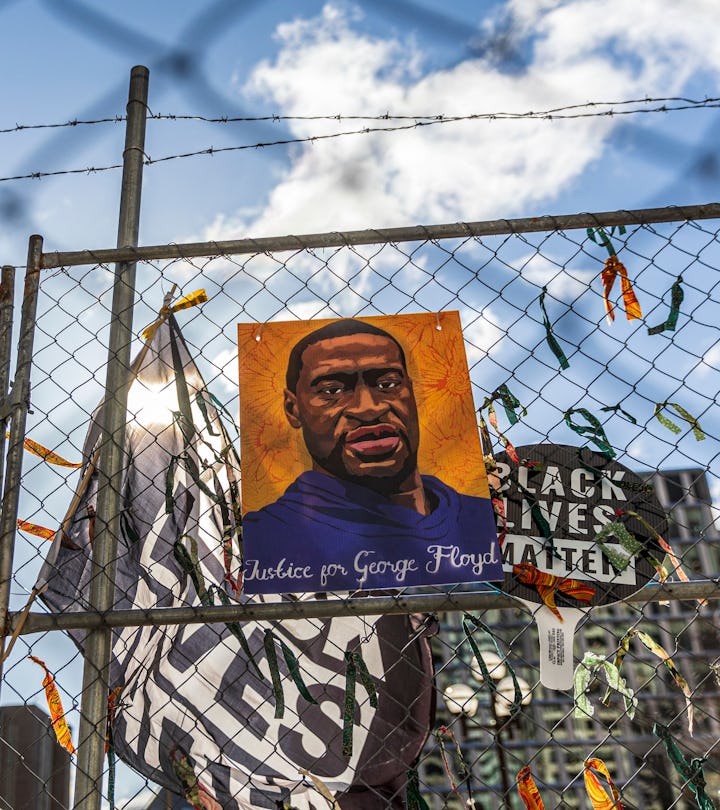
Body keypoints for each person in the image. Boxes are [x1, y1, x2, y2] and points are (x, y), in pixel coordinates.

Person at [243, 318, 502, 593]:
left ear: (411, 392)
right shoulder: (265, 537)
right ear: (293, 409)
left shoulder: (483, 520)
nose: (368, 409)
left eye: (387, 384)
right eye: (332, 391)